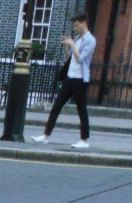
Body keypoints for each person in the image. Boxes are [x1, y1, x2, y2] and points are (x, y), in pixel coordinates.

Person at [32, 13, 96, 149]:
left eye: (77, 25)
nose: (75, 28)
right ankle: (45, 136)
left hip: (80, 80)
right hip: (70, 78)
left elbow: (81, 59)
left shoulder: (90, 40)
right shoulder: (78, 39)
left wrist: (72, 44)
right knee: (56, 107)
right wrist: (67, 47)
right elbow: (71, 59)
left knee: (81, 110)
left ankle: (84, 140)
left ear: (84, 23)